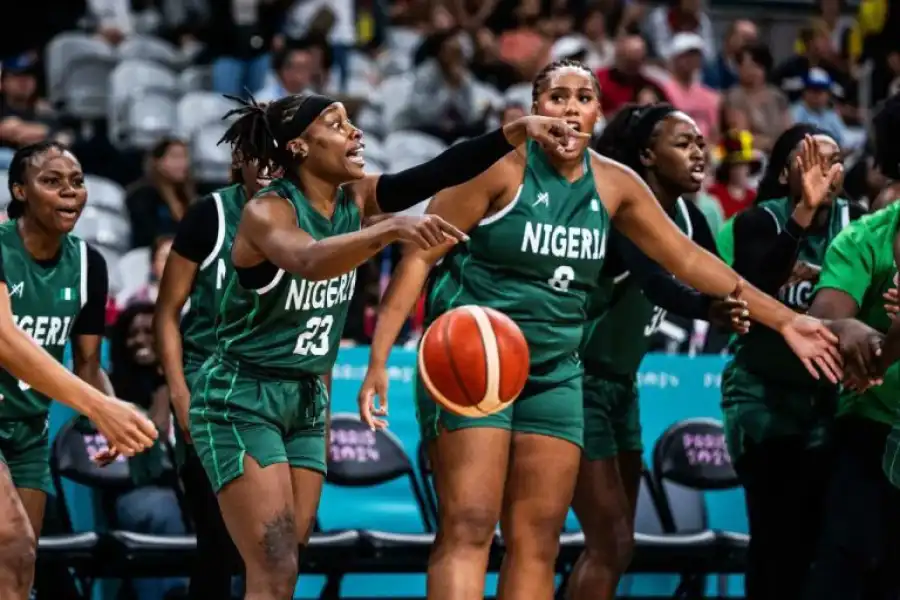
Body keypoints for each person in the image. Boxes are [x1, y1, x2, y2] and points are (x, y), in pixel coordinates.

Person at [358, 59, 841, 600]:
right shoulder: (495, 168)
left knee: (537, 540)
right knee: (469, 525)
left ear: (597, 114)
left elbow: (689, 261)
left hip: (557, 372)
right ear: (536, 108)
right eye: (557, 97)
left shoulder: (615, 184)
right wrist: (379, 360)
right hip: (475, 356)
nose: (570, 108)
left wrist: (787, 319)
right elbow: (420, 259)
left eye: (583, 98)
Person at [188, 91, 588, 600]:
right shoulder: (267, 212)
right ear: (300, 146)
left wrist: (515, 132)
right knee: (274, 565)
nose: (355, 132)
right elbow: (310, 260)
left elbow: (436, 172)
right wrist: (393, 228)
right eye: (336, 124)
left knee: (286, 566)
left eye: (350, 121)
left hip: (305, 396)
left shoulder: (355, 198)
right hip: (242, 395)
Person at [566, 103, 751, 600]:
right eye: (684, 144)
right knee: (608, 543)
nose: (699, 154)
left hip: (621, 387)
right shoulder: (623, 209)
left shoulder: (691, 216)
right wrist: (708, 308)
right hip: (578, 384)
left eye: (700, 144)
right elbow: (658, 282)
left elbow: (723, 279)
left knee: (618, 544)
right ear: (647, 155)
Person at [0, 141, 157, 600]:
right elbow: (7, 342)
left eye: (77, 181)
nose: (69, 192)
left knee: (20, 566)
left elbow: (88, 363)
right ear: (20, 191)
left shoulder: (89, 264)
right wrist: (101, 407)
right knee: (11, 539)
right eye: (51, 181)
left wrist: (110, 418)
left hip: (28, 432)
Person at [720, 124, 862, 600]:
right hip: (762, 399)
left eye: (835, 160)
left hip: (830, 404)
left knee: (825, 547)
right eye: (812, 161)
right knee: (775, 541)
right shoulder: (756, 223)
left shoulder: (859, 223)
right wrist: (802, 215)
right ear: (786, 174)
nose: (827, 171)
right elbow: (756, 292)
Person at [155, 148, 277, 600]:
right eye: (261, 156)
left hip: (272, 394)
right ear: (241, 159)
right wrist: (179, 394)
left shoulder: (308, 217)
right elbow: (166, 314)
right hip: (209, 388)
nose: (271, 167)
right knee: (218, 541)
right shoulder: (211, 215)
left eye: (281, 156)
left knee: (274, 545)